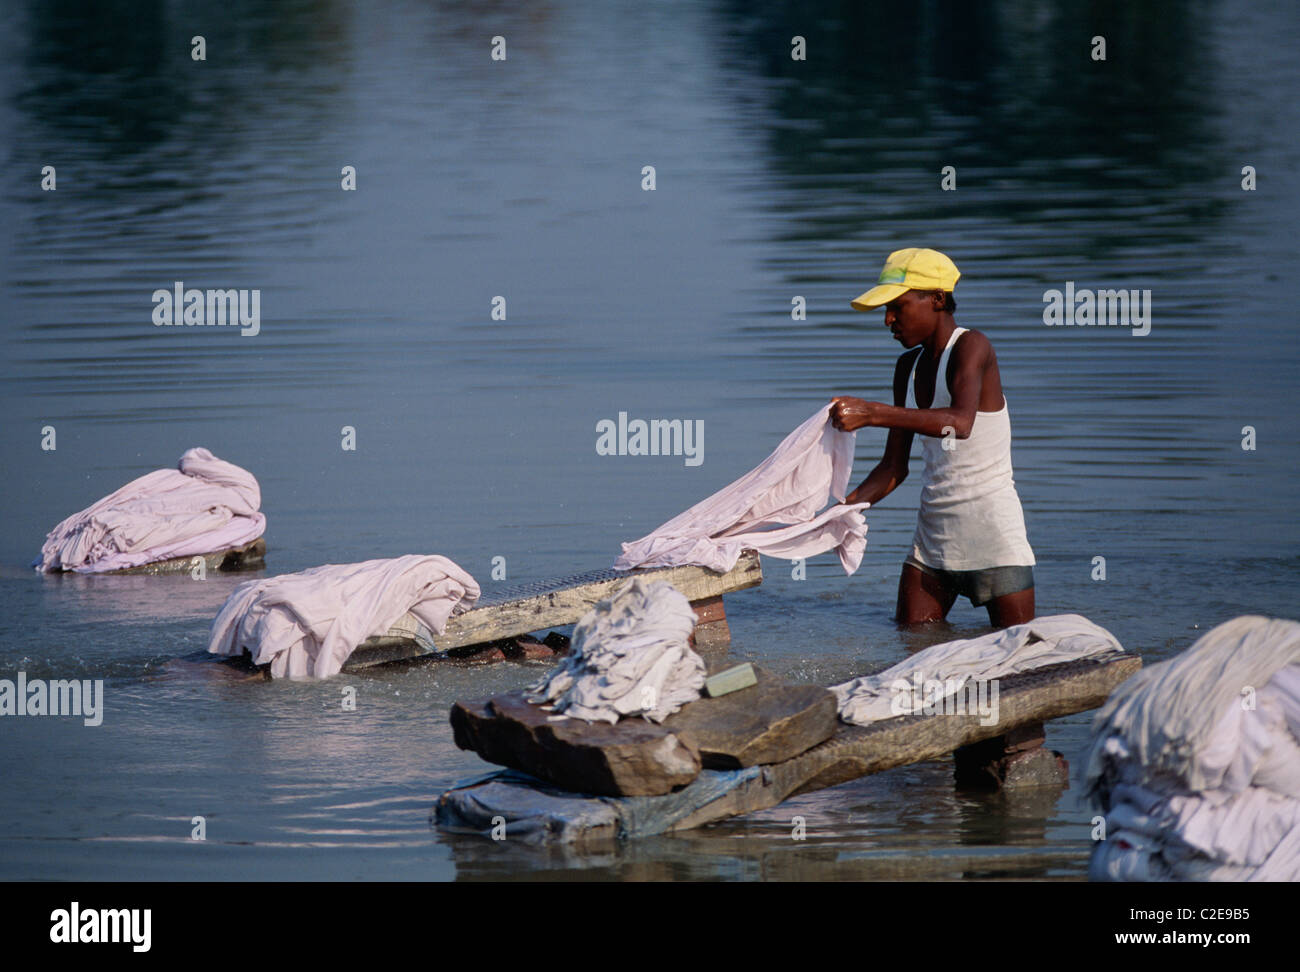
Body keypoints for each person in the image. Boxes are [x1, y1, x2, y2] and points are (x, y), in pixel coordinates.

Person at [830, 248, 1035, 628]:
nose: (888, 320)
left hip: (994, 540)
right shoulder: (906, 368)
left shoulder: (973, 346)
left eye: (898, 307)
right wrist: (843, 509)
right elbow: (894, 466)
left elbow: (959, 424)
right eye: (886, 310)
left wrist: (873, 413)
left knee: (1024, 663)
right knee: (912, 653)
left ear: (937, 299)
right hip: (932, 547)